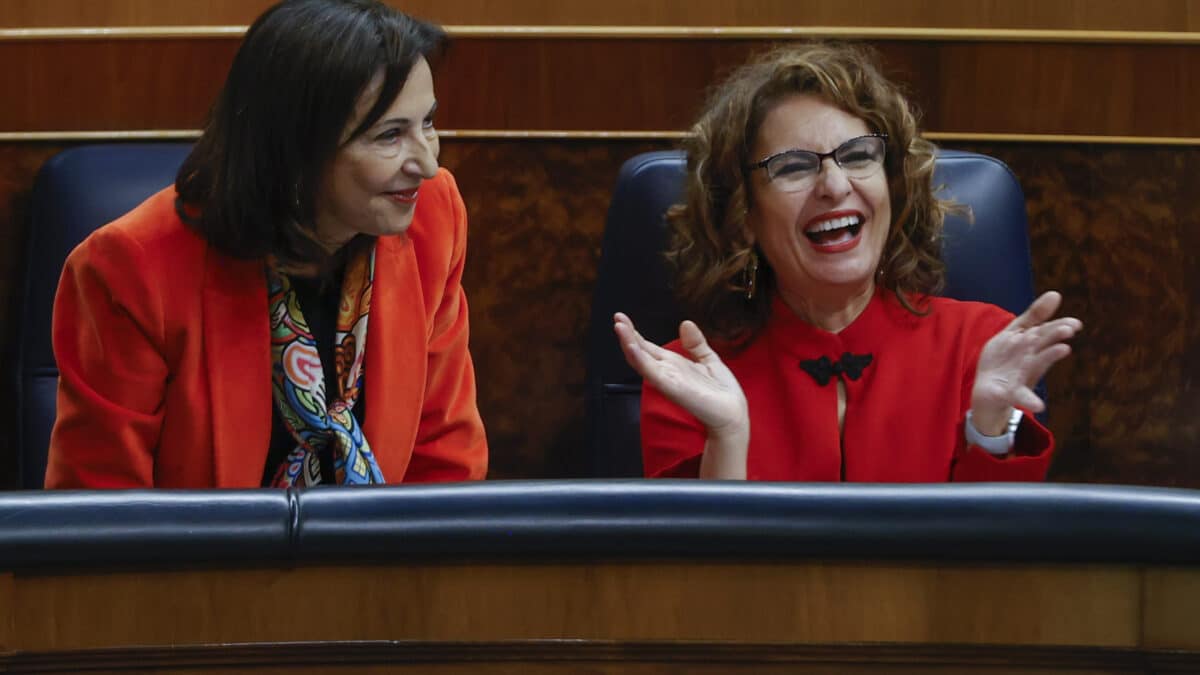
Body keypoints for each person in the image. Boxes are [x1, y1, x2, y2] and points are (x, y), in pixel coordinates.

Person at [46, 0, 487, 488]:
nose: (426, 163)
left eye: (427, 123)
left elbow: (445, 462)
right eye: (390, 136)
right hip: (199, 562)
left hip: (379, 559)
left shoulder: (433, 217)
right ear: (297, 152)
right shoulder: (132, 269)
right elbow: (100, 515)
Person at [613, 43, 1081, 481]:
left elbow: (998, 559)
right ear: (743, 214)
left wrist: (989, 429)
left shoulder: (978, 347)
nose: (835, 185)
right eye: (793, 166)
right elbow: (697, 566)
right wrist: (728, 437)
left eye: (858, 156)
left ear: (892, 189)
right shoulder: (685, 376)